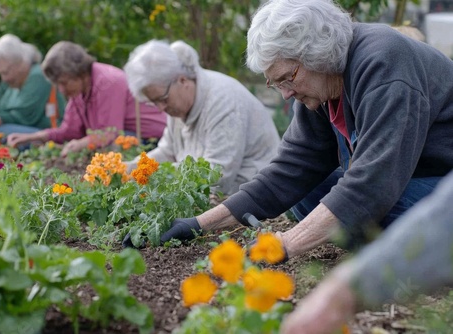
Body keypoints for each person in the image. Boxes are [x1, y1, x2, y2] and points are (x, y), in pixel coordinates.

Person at [157, 0, 453, 256]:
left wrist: (284, 245)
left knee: (373, 202)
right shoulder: (321, 84)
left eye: (287, 78)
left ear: (318, 54)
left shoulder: (384, 63)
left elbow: (373, 183)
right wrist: (198, 224)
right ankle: (391, 242)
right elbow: (291, 168)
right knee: (307, 192)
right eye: (277, 82)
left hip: (441, 182)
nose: (285, 94)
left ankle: (416, 254)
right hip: (406, 180)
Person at [281, 169, 453, 334]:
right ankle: (380, 247)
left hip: (422, 183)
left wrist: (350, 287)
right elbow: (298, 160)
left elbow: (373, 181)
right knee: (310, 185)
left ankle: (394, 249)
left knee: (392, 200)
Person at [123, 40, 280, 196]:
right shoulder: (177, 104)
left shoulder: (223, 101)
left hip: (259, 196)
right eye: (154, 102)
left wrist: (158, 173)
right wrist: (132, 168)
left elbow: (217, 178)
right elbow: (167, 151)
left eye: (163, 99)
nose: (161, 108)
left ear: (182, 80)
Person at [7, 41, 167, 157]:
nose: (61, 90)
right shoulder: (79, 90)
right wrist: (34, 137)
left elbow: (110, 133)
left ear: (80, 72)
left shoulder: (108, 82)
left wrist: (81, 144)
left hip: (152, 140)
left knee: (111, 149)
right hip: (125, 137)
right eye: (57, 84)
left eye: (64, 82)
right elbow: (69, 131)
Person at [0, 34, 66, 134]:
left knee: (1, 130)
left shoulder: (38, 76)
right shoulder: (10, 80)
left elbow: (22, 115)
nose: (4, 79)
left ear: (21, 63)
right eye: (0, 74)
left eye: (5, 72)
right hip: (16, 126)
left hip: (44, 132)